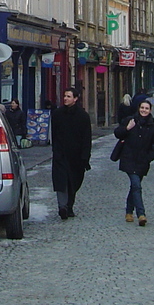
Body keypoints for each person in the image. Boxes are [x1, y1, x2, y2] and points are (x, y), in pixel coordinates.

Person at [114, 98, 154, 226]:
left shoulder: (153, 127)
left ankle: (129, 211)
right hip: (129, 159)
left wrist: (148, 157)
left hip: (142, 161)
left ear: (150, 110)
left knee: (134, 187)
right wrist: (127, 128)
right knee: (136, 185)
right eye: (142, 108)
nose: (144, 110)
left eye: (146, 108)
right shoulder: (130, 121)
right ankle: (141, 214)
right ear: (138, 108)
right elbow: (118, 133)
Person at [50, 86, 93, 219]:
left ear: (75, 98)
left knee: (73, 182)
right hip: (60, 154)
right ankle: (62, 206)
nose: (65, 98)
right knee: (61, 181)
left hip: (76, 156)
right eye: (65, 96)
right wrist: (55, 150)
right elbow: (54, 134)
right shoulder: (57, 114)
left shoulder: (83, 116)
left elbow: (87, 138)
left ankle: (69, 206)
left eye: (68, 96)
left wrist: (85, 156)